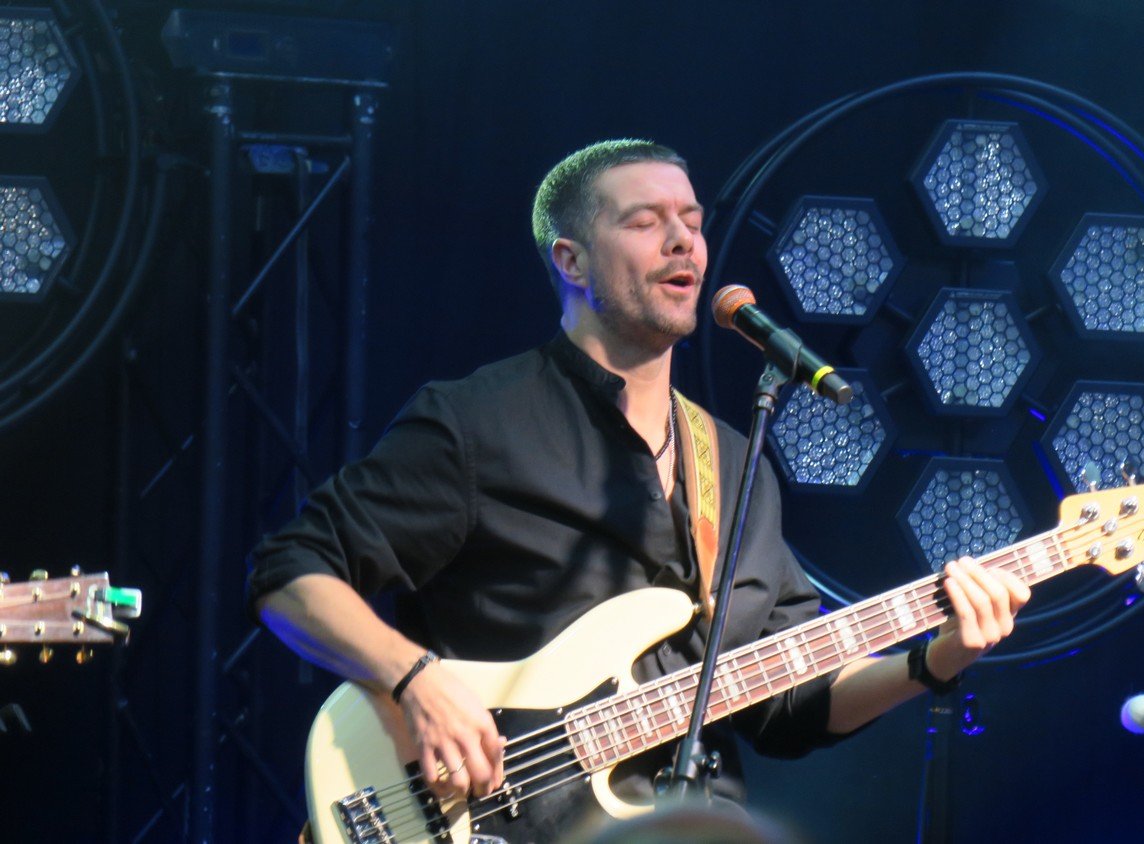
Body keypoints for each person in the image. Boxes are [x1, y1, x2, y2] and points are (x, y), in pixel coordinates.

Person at [249, 139, 1029, 834]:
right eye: (645, 221)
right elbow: (290, 572)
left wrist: (936, 660)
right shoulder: (476, 423)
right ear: (571, 261)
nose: (682, 239)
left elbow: (789, 705)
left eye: (691, 220)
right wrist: (416, 680)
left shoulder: (733, 462)